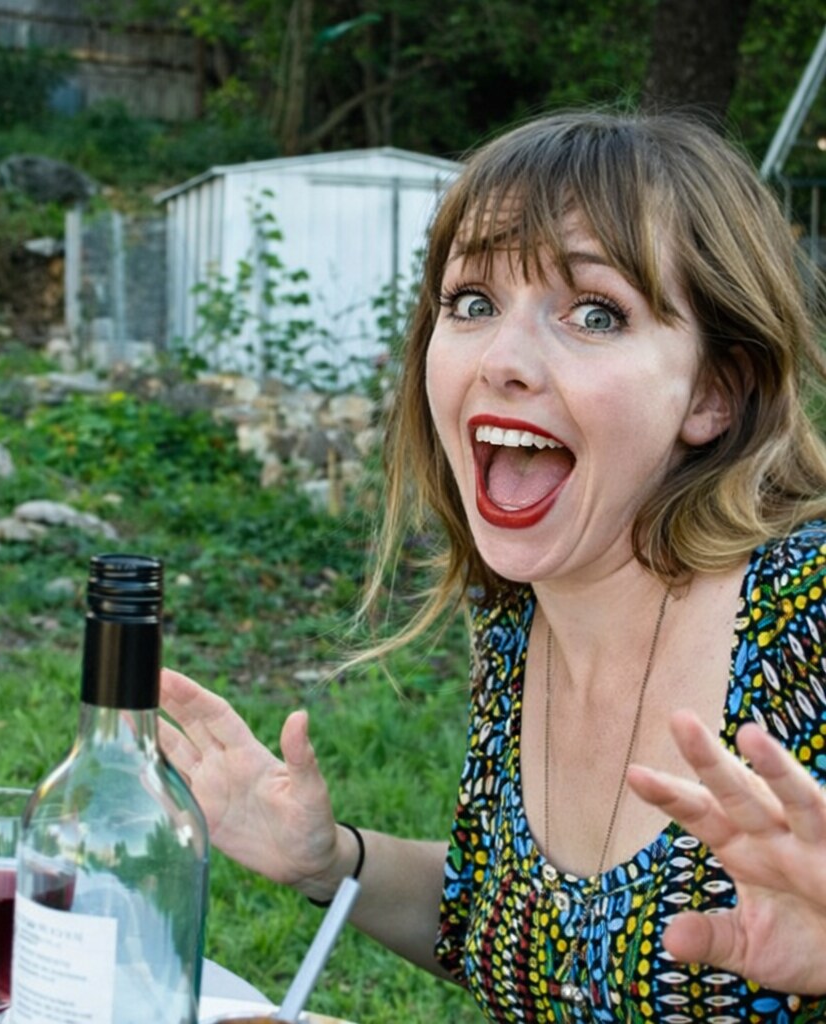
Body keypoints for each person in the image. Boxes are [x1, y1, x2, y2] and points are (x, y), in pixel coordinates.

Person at [160, 108, 826, 1021]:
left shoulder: (810, 618)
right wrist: (332, 862)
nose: (502, 359)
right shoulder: (519, 618)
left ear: (713, 391)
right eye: (471, 302)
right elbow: (514, 927)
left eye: (595, 312)